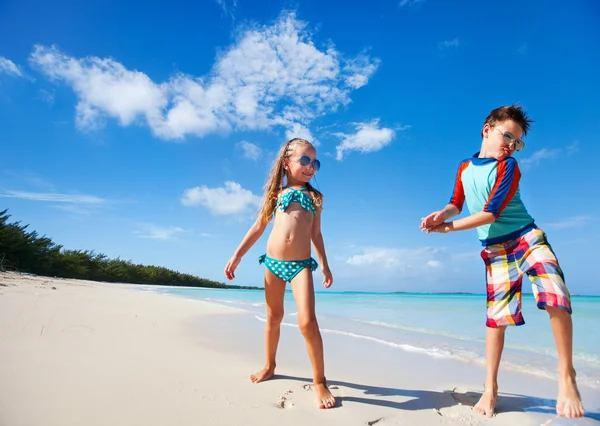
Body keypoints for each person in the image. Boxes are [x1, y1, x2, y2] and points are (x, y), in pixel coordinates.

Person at [420, 105, 584, 418]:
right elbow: (457, 203)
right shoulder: (465, 167)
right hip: (495, 249)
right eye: (507, 135)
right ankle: (490, 387)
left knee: (556, 294)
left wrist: (446, 229)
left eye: (517, 141)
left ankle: (566, 375)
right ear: (487, 129)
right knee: (497, 318)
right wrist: (441, 215)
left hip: (526, 237)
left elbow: (491, 212)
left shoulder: (509, 167)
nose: (511, 144)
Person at [224, 137, 336, 409]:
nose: (311, 166)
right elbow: (259, 226)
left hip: (300, 266)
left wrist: (324, 263)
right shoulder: (276, 194)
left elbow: (316, 235)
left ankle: (320, 381)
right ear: (287, 163)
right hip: (273, 264)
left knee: (307, 322)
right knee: (274, 317)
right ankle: (269, 365)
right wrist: (237, 255)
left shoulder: (315, 197)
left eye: (315, 162)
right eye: (305, 160)